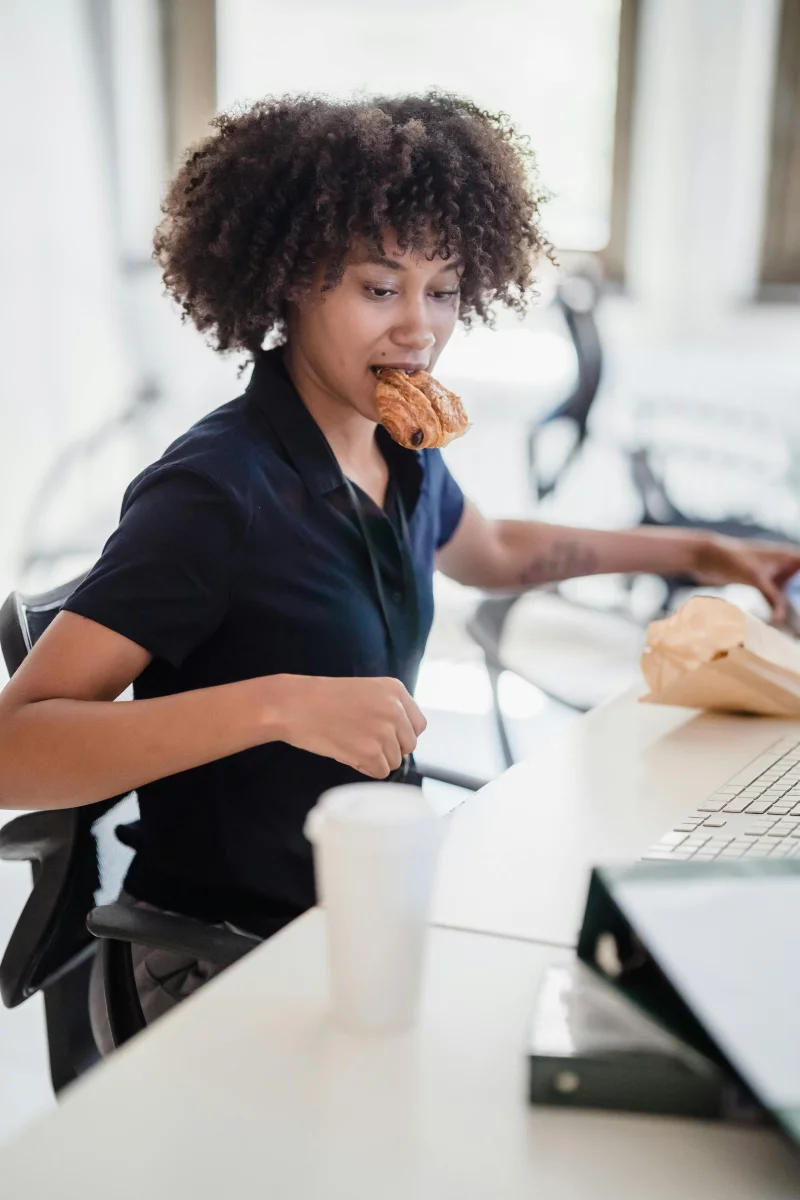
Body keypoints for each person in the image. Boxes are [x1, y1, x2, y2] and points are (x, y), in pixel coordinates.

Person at [1, 93, 799, 1037]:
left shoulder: (400, 442)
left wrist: (698, 550)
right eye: (380, 289)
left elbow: (495, 551)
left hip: (367, 905)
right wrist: (279, 703)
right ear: (290, 284)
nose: (420, 327)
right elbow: (16, 753)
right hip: (222, 957)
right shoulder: (214, 493)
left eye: (446, 288)